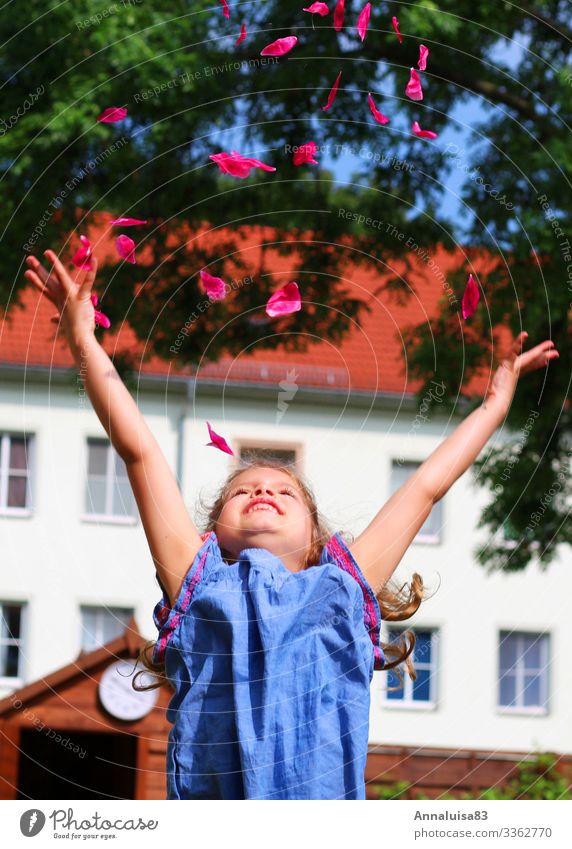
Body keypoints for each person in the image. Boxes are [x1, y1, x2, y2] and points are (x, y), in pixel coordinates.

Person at [25, 248, 560, 800]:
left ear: (315, 539)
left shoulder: (342, 588)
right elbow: (139, 451)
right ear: (213, 535)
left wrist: (495, 405)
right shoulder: (198, 578)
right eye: (242, 489)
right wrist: (82, 340)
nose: (261, 489)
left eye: (284, 491)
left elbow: (427, 485)